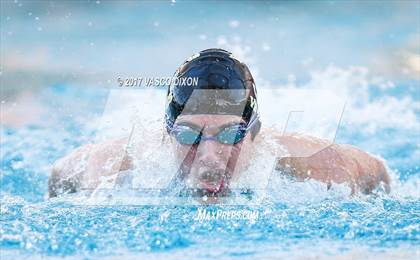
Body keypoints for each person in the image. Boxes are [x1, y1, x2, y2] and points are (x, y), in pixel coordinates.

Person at [48, 48, 390, 199]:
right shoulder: (112, 168)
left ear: (256, 133)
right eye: (189, 135)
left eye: (230, 134)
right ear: (168, 133)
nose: (210, 156)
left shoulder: (320, 164)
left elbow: (378, 173)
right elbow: (58, 175)